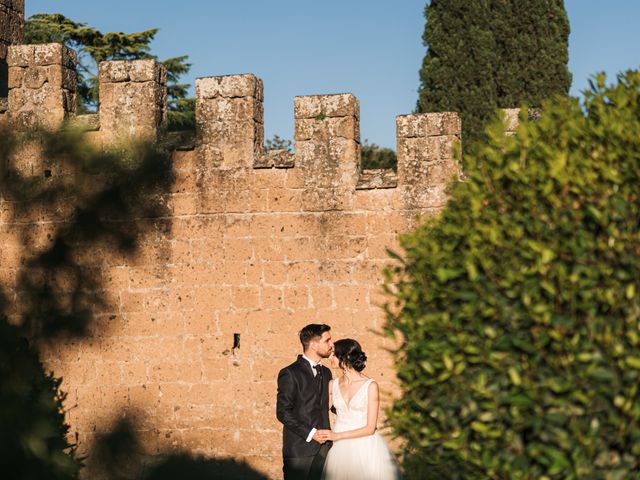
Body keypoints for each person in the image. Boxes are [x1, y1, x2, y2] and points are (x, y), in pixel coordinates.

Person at [319, 339, 401, 480]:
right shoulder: (332, 384)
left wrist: (336, 436)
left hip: (365, 446)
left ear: (343, 357)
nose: (330, 357)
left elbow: (370, 428)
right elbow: (318, 411)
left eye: (333, 354)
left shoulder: (370, 386)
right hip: (340, 450)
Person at [276, 324, 334, 480]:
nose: (331, 345)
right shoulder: (289, 373)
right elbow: (283, 412)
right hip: (299, 450)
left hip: (325, 449)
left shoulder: (327, 372)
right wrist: (311, 433)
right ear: (314, 345)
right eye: (327, 341)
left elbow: (331, 403)